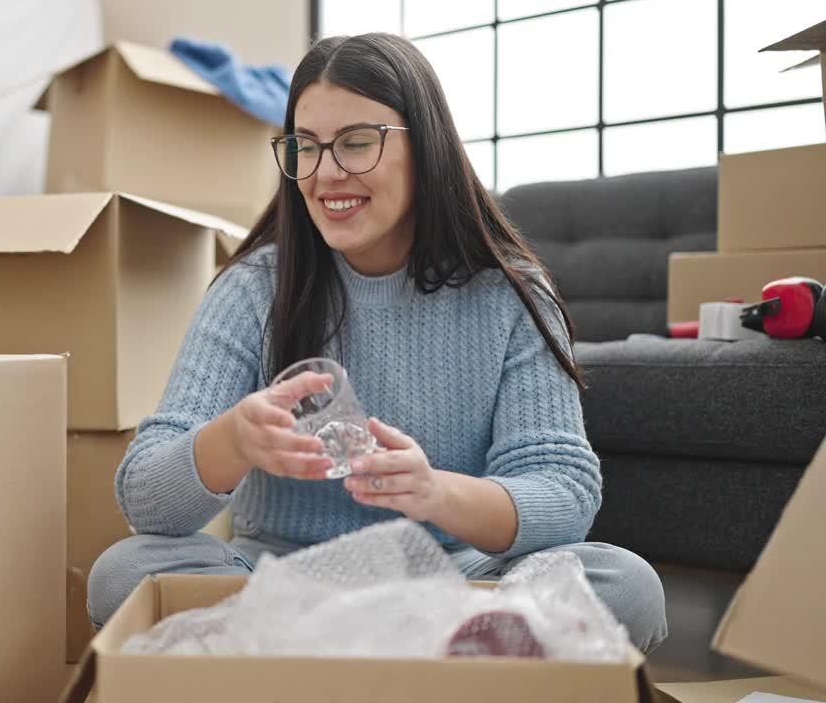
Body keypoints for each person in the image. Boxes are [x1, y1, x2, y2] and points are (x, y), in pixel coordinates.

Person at [87, 32, 667, 652]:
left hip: (455, 587)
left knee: (624, 585)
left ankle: (318, 670)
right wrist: (231, 440)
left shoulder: (510, 295)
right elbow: (144, 498)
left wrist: (436, 493)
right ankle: (419, 672)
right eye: (305, 148)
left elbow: (564, 493)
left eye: (357, 143)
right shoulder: (253, 289)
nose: (327, 173)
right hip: (283, 586)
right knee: (123, 572)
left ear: (427, 147)